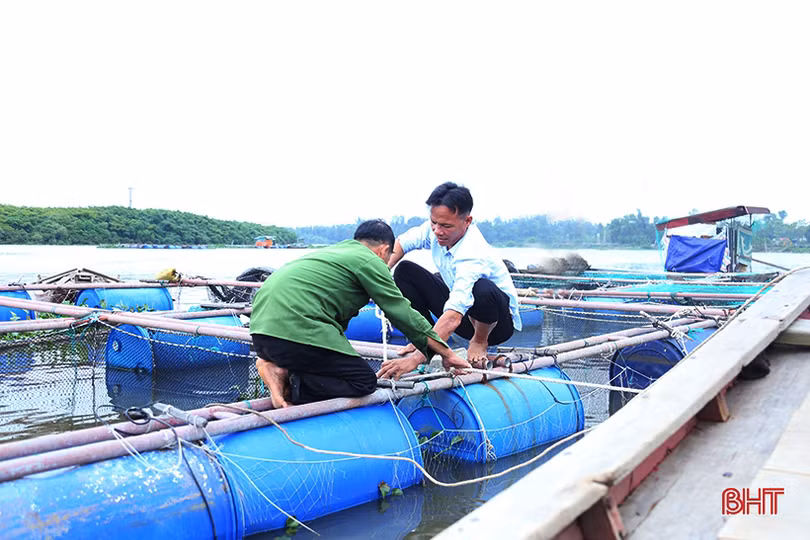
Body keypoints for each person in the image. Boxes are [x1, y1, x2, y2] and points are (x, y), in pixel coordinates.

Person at [249, 219, 469, 408]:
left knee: (330, 366)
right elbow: (402, 312)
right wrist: (447, 354)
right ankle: (289, 381)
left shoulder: (335, 252)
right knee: (363, 382)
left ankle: (274, 366)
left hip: (261, 333)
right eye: (388, 258)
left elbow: (335, 319)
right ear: (384, 250)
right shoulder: (370, 260)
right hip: (297, 333)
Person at [382, 182, 522, 371]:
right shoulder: (434, 229)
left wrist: (415, 360)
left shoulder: (472, 252)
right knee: (405, 271)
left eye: (446, 226)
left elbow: (455, 313)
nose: (438, 231)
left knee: (482, 288)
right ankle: (422, 336)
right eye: (434, 222)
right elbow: (401, 244)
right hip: (465, 317)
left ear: (467, 221)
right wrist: (380, 273)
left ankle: (479, 341)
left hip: (495, 324)